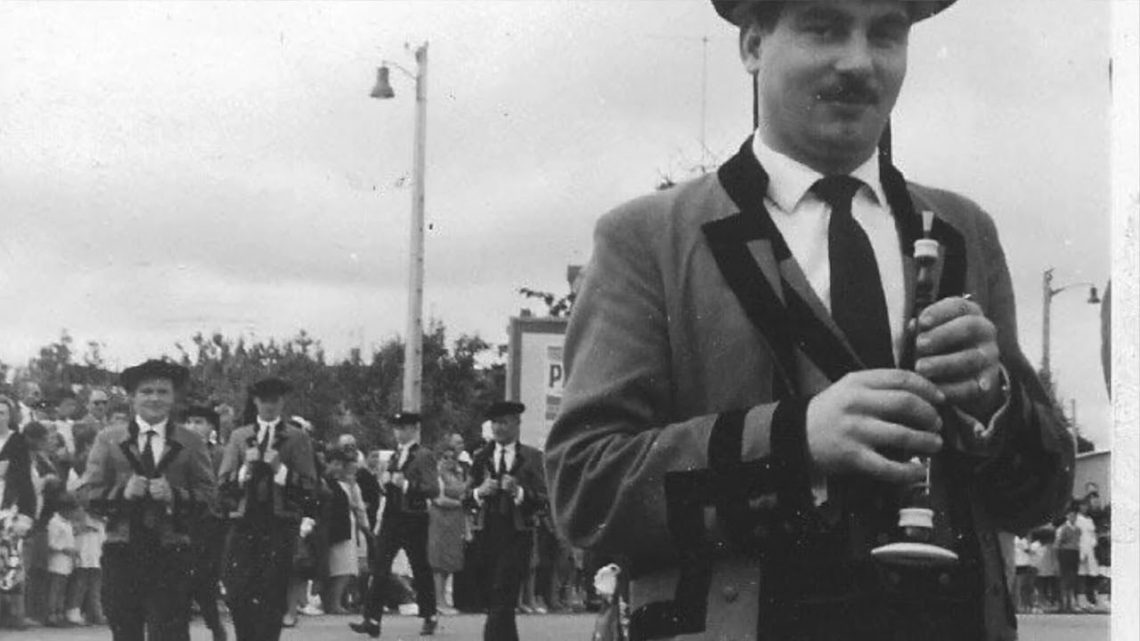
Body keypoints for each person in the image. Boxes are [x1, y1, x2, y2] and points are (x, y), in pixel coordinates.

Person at [544, 2, 1075, 639]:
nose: (858, 62)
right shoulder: (647, 238)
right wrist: (795, 442)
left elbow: (1043, 495)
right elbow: (586, 491)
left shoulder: (965, 231)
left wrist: (993, 405)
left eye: (886, 33)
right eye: (824, 28)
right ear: (752, 45)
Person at [78, 359, 216, 641]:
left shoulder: (191, 441)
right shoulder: (109, 439)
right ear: (132, 397)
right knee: (125, 630)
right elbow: (86, 493)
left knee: (170, 632)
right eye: (147, 391)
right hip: (122, 550)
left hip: (172, 552)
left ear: (174, 397)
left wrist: (174, 495)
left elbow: (211, 497)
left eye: (163, 392)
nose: (155, 398)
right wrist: (122, 493)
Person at [218, 378, 317, 641]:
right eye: (264, 400)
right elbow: (222, 484)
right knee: (237, 592)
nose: (270, 406)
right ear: (255, 401)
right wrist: (244, 471)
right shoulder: (240, 436)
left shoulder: (297, 438)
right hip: (243, 523)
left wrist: (280, 470)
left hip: (278, 525)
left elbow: (310, 487)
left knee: (272, 595)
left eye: (275, 400)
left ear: (282, 402)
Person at [351, 412, 440, 638]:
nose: (399, 432)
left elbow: (433, 489)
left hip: (414, 518)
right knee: (380, 566)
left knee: (420, 567)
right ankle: (372, 619)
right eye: (397, 428)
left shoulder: (423, 455)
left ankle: (429, 613)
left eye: (404, 428)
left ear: (414, 429)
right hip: (392, 517)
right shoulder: (395, 455)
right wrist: (385, 483)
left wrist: (406, 484)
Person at [469, 402, 547, 641]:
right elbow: (465, 496)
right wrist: (479, 492)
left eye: (504, 422)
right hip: (487, 531)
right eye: (494, 423)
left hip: (517, 533)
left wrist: (519, 492)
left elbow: (544, 499)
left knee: (503, 591)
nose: (498, 428)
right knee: (498, 598)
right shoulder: (481, 457)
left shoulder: (532, 457)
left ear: (516, 424)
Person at [183, 405, 228, 641]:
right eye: (189, 421)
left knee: (204, 577)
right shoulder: (178, 449)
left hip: (210, 523)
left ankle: (214, 624)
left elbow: (222, 487)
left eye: (199, 422)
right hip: (182, 519)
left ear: (211, 427)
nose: (192, 426)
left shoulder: (219, 453)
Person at [0, 394, 37, 630]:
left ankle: (13, 614)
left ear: (9, 416)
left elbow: (24, 480)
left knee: (9, 561)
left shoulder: (17, 441)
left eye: (1, 413)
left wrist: (27, 513)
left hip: (8, 507)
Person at [323, 445, 371, 615]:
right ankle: (334, 603)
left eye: (340, 464)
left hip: (346, 527)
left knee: (346, 567)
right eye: (335, 464)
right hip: (337, 528)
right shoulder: (329, 482)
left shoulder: (346, 484)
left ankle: (337, 602)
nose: (338, 468)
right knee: (341, 567)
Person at [428, 434, 469, 616]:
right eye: (445, 457)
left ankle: (444, 597)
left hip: (454, 520)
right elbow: (439, 499)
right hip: (440, 518)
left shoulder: (456, 474)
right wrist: (461, 503)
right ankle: (438, 600)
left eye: (452, 457)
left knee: (449, 560)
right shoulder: (436, 474)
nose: (449, 461)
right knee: (439, 561)